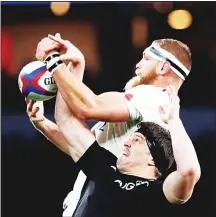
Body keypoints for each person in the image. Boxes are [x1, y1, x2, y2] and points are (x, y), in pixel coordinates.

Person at [31, 34, 192, 215]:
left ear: (163, 67)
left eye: (146, 58)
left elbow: (87, 107)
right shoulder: (149, 111)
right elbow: (77, 140)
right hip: (95, 194)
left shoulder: (151, 96)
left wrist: (53, 61)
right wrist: (43, 124)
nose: (138, 65)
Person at [53, 85, 200, 217]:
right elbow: (67, 121)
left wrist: (174, 120)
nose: (127, 143)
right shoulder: (105, 168)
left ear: (152, 159)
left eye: (136, 140)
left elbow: (189, 171)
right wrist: (69, 67)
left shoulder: (159, 192)